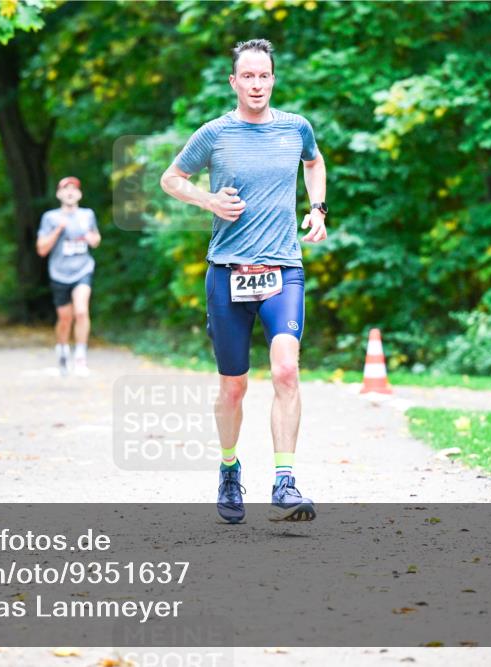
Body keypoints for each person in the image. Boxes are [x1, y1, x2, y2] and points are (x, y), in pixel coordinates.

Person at [160, 39, 328, 523]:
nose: (257, 85)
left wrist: (317, 209)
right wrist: (208, 201)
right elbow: (171, 179)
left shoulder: (296, 128)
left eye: (264, 76)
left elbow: (313, 163)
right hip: (228, 274)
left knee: (285, 372)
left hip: (283, 270)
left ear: (274, 79)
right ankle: (230, 468)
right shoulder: (214, 134)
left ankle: (284, 480)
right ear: (234, 82)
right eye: (248, 77)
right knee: (233, 387)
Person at [36, 176, 101, 376]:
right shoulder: (50, 217)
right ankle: (62, 349)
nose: (70, 192)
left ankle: (80, 358)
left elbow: (96, 239)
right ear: (59, 194)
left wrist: (92, 238)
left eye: (74, 189)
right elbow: (41, 249)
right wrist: (59, 230)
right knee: (65, 318)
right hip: (59, 273)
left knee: (81, 312)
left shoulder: (87, 215)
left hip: (83, 269)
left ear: (79, 194)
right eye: (66, 189)